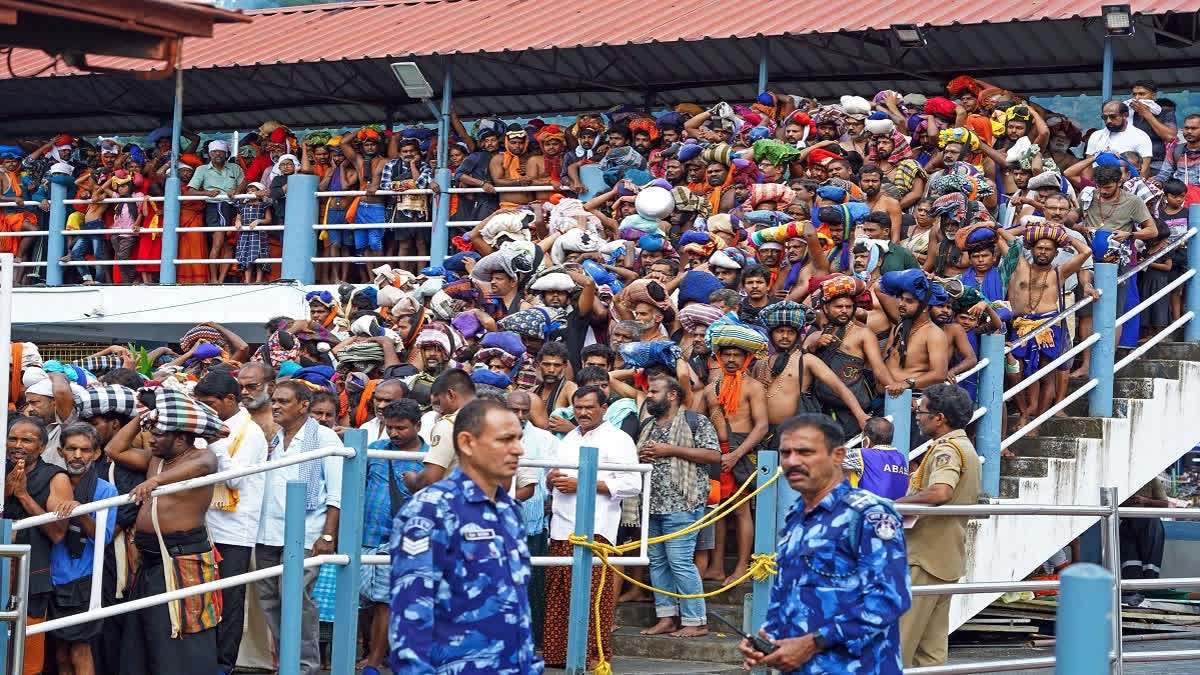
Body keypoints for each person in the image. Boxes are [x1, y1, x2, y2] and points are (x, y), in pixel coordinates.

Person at [739, 413, 909, 674]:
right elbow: (790, 592)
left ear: (838, 456)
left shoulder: (867, 515)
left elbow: (890, 599)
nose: (792, 461)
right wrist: (768, 637)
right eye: (786, 453)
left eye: (805, 452)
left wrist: (812, 643)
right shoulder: (796, 517)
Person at [389, 398, 543, 674]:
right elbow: (411, 615)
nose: (518, 449)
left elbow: (517, 606)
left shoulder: (507, 510)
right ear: (467, 443)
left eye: (519, 438)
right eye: (505, 440)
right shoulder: (432, 510)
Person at [119, 388, 225, 675]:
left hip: (181, 558)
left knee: (181, 633)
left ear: (180, 438)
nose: (151, 438)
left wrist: (155, 482)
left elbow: (202, 466)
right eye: (151, 431)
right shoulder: (156, 458)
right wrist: (143, 417)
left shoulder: (203, 456)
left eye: (159, 433)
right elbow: (114, 450)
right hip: (150, 559)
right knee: (147, 633)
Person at [542, 386, 641, 669]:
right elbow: (555, 477)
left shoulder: (619, 439)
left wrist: (583, 484)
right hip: (561, 525)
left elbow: (632, 483)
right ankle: (557, 656)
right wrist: (551, 481)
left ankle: (594, 655)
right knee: (559, 592)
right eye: (578, 407)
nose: (583, 412)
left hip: (597, 526)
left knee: (593, 595)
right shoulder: (568, 438)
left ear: (604, 408)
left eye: (589, 407)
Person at [256, 380, 343, 675]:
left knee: (297, 598)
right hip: (267, 531)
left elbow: (337, 491)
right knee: (270, 600)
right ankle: (286, 662)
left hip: (306, 532)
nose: (275, 406)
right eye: (274, 401)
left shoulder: (326, 438)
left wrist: (328, 534)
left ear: (303, 405)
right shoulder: (274, 438)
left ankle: (305, 667)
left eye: (283, 401)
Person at [897, 383, 981, 667]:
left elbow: (941, 491)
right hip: (945, 558)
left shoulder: (948, 449)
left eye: (921, 411)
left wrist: (895, 504)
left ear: (939, 417)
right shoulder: (964, 446)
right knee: (930, 652)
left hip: (925, 559)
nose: (917, 416)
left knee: (899, 643)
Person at [193, 371, 269, 675]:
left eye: (211, 404)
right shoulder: (210, 428)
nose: (207, 410)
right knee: (202, 599)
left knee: (229, 602)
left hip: (235, 531)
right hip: (205, 523)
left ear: (230, 400)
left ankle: (223, 665)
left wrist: (216, 444)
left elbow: (235, 479)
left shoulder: (250, 433)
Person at [636, 376, 719, 638]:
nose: (649, 396)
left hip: (683, 504)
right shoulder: (648, 423)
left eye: (654, 391)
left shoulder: (697, 421)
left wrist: (669, 450)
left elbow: (713, 455)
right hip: (650, 504)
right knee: (658, 563)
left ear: (672, 395)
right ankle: (666, 618)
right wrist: (643, 455)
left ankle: (696, 621)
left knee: (681, 563)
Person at [697, 321, 769, 584]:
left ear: (746, 357)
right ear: (718, 356)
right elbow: (696, 421)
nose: (730, 359)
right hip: (717, 455)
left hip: (741, 454)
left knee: (741, 511)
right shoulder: (709, 390)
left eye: (736, 354)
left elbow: (762, 426)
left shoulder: (754, 387)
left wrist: (736, 455)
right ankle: (716, 567)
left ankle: (741, 567)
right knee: (716, 510)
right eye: (726, 354)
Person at [361, 399, 426, 674]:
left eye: (401, 428)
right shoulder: (374, 450)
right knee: (364, 601)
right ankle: (372, 653)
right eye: (390, 428)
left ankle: (374, 662)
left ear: (418, 426)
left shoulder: (431, 458)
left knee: (384, 602)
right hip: (368, 534)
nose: (395, 434)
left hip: (405, 540)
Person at [5, 416, 72, 675]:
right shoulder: (3, 471)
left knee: (27, 653)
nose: (18, 445)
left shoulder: (56, 478)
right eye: (13, 438)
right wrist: (6, 492)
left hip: (31, 575)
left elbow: (57, 533)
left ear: (42, 447)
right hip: (2, 568)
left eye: (27, 440)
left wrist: (22, 495)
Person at [49, 423, 116, 675]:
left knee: (80, 649)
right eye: (71, 449)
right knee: (61, 652)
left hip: (84, 578)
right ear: (60, 451)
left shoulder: (106, 490)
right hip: (52, 576)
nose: (78, 455)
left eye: (85, 450)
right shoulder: (51, 482)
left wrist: (79, 509)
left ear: (96, 454)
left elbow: (103, 537)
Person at [508, 389, 560, 649]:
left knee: (533, 583)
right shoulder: (491, 435)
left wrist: (550, 498)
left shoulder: (545, 439)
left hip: (534, 522)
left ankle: (531, 639)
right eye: (514, 410)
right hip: (501, 523)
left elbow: (556, 474)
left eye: (524, 411)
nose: (520, 416)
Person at [405, 368, 476, 491]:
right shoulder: (498, 420)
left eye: (438, 403)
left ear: (450, 395)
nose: (438, 410)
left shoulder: (449, 425)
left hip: (458, 503)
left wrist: (411, 479)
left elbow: (429, 480)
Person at [1119, 475, 1169, 607]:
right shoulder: (1122, 480)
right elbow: (1113, 503)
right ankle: (1130, 599)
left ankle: (1148, 595)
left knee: (1150, 566)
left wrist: (1145, 501)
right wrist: (1129, 503)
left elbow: (1165, 504)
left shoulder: (1153, 480)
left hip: (1150, 524)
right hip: (1129, 524)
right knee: (1130, 565)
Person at [841, 417, 909, 499]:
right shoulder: (901, 458)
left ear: (866, 440)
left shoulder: (861, 454)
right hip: (897, 510)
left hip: (870, 509)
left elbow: (831, 459)